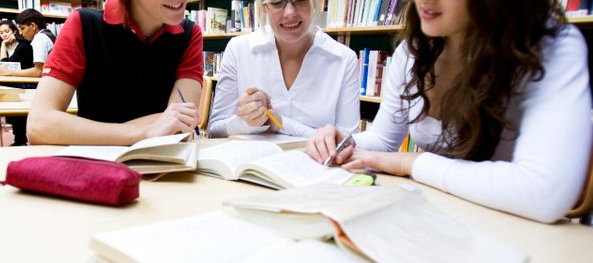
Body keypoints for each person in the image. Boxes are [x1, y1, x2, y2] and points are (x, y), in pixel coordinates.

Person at [306, 0, 592, 223]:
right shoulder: (411, 52)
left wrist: (412, 164)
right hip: (432, 217)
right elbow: (383, 140)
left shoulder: (552, 49)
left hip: (510, 232)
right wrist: (345, 141)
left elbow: (542, 193)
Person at [26, 0, 203, 145]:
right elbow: (39, 125)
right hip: (95, 167)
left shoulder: (190, 34)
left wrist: (83, 131)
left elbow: (178, 127)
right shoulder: (84, 23)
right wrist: (141, 133)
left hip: (162, 168)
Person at [208, 0, 360, 138]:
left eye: (300, 1)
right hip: (251, 167)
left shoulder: (344, 59)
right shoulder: (238, 49)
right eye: (277, 2)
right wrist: (249, 121)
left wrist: (279, 122)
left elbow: (346, 144)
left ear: (315, 3)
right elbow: (214, 131)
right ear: (264, 7)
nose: (289, 13)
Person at [0, 20, 35, 146]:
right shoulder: (7, 46)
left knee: (9, 95)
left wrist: (3, 47)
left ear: (14, 31)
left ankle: (20, 139)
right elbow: (2, 66)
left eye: (7, 31)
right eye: (1, 33)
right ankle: (19, 138)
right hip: (14, 82)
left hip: (26, 84)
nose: (4, 35)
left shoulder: (23, 46)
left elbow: (5, 65)